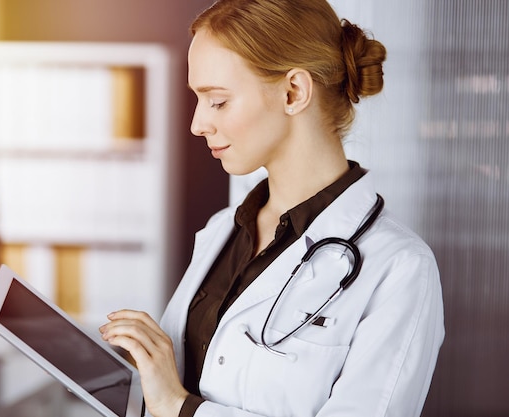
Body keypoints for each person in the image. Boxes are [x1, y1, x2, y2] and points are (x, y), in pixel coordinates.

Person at [99, 0, 445, 416]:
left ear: (293, 92)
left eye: (218, 101)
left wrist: (180, 407)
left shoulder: (399, 269)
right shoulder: (223, 230)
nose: (197, 124)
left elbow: (177, 402)